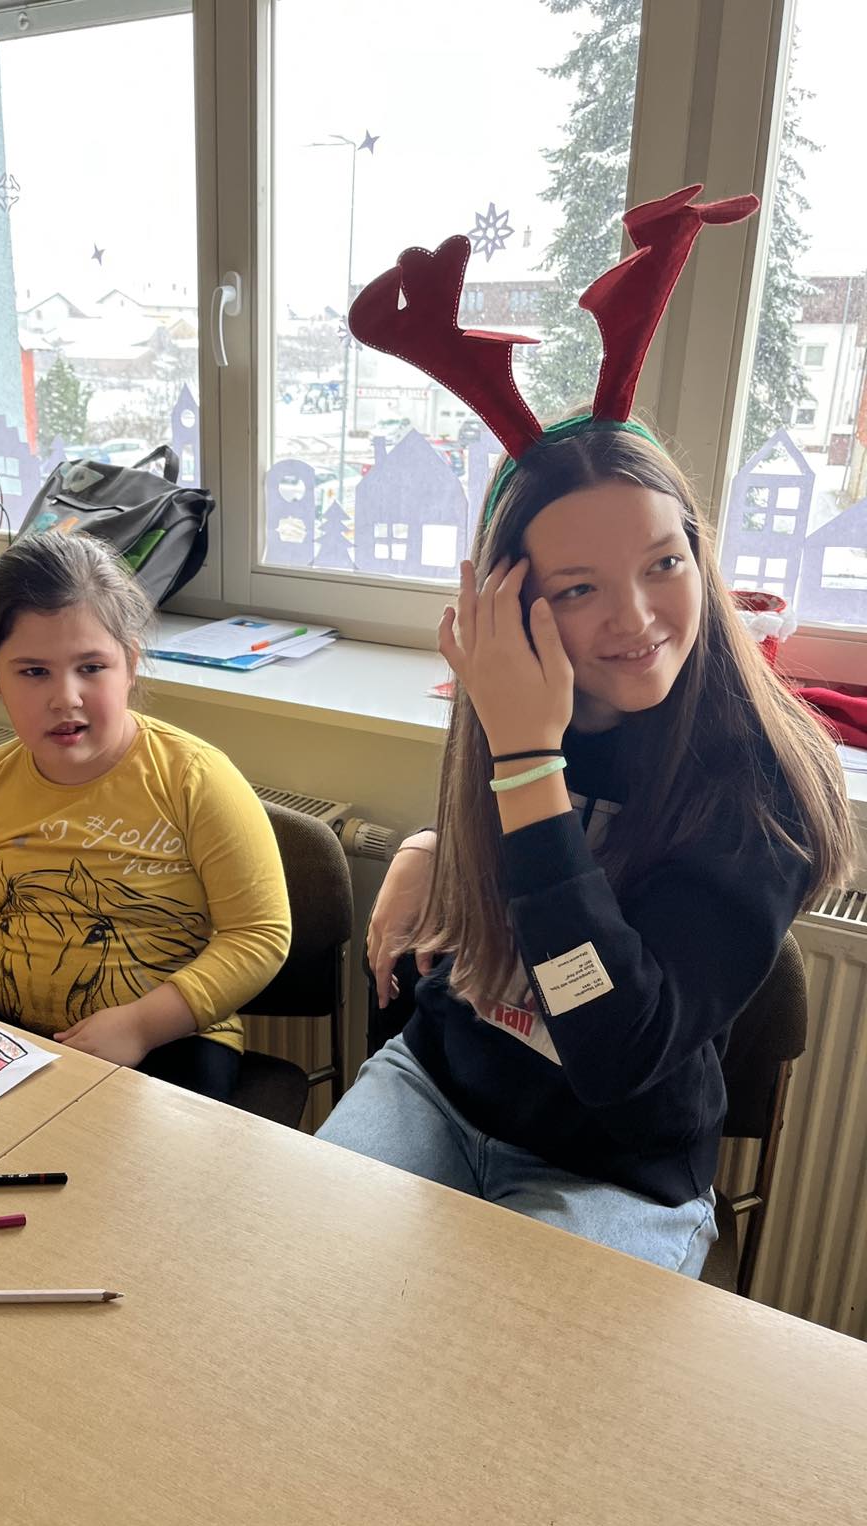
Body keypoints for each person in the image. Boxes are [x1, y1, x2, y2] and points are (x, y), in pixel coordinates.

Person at [320, 421, 854, 1274]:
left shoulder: (760, 784)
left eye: (663, 562)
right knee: (305, 1288)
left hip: (617, 1168)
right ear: (511, 605)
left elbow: (616, 1051)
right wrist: (434, 844)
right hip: (439, 1087)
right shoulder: (516, 691)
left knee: (515, 1360)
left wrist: (529, 764)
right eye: (578, 588)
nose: (634, 617)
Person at [0, 531, 291, 1103]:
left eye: (91, 667)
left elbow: (259, 935)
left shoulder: (194, 778)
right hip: (6, 1034)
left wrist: (141, 1025)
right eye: (33, 672)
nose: (65, 698)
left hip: (172, 1038)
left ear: (130, 664)